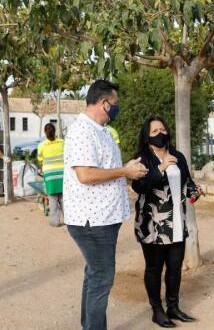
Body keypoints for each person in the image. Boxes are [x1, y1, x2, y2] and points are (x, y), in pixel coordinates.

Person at [63, 79, 148, 330]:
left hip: (103, 218)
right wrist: (125, 171)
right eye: (115, 104)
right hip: (93, 221)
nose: (117, 108)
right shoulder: (82, 131)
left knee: (94, 276)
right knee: (101, 279)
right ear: (104, 103)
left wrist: (128, 169)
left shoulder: (101, 131)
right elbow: (86, 175)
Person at [132, 116, 201, 328]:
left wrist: (194, 191)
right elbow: (140, 186)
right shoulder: (142, 159)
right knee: (154, 268)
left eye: (162, 129)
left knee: (175, 268)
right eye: (154, 131)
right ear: (146, 137)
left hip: (176, 223)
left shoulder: (177, 156)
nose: (160, 133)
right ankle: (157, 310)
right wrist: (160, 168)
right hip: (152, 225)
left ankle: (173, 306)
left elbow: (187, 183)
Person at [37, 123, 64, 227]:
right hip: (62, 173)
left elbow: (40, 159)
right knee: (63, 196)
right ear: (55, 131)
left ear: (45, 132)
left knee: (52, 197)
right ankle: (70, 220)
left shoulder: (41, 145)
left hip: (49, 174)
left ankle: (55, 221)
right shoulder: (62, 142)